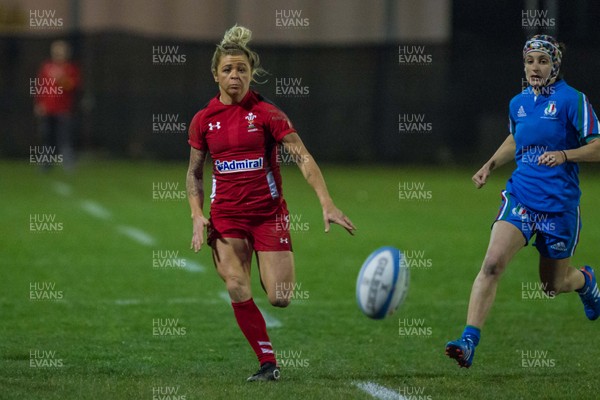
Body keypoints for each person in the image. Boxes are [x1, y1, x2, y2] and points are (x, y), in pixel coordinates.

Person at [186, 25, 355, 381]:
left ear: (251, 73)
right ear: (216, 73)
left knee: (279, 297)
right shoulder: (204, 120)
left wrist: (327, 202)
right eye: (228, 69)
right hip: (226, 217)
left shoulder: (267, 113)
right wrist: (197, 215)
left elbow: (303, 157)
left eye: (242, 69)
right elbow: (194, 173)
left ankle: (266, 266)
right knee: (234, 283)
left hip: (268, 216)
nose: (236, 75)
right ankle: (267, 362)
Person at [445, 34, 600, 369]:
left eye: (543, 61)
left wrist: (564, 154)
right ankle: (469, 341)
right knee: (492, 264)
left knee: (552, 285)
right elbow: (516, 137)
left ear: (555, 65)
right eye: (530, 61)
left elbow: (598, 146)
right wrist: (490, 165)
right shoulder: (518, 102)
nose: (535, 67)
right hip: (521, 198)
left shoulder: (573, 100)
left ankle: (586, 281)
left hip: (559, 207)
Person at [34, 40, 81, 171]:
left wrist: (60, 78)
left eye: (60, 52)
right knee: (47, 137)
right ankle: (46, 164)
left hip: (63, 110)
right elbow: (40, 86)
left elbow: (72, 86)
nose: (58, 54)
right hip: (47, 109)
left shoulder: (71, 69)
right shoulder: (46, 67)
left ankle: (67, 163)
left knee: (64, 138)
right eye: (55, 52)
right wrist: (39, 103)